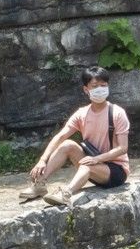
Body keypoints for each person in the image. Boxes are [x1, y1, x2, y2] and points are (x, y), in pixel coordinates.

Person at [23, 67, 131, 207]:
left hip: (115, 170)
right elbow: (60, 137)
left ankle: (66, 193)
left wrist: (96, 159)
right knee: (67, 144)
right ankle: (40, 184)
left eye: (103, 85)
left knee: (87, 166)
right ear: (86, 89)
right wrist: (42, 160)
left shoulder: (117, 113)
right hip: (92, 161)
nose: (100, 89)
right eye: (95, 86)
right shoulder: (81, 114)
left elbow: (123, 148)